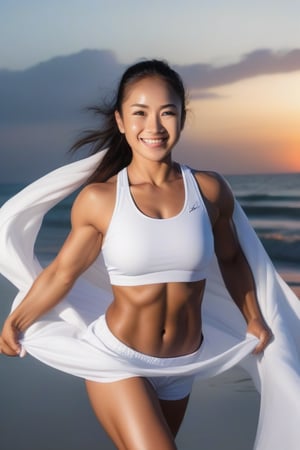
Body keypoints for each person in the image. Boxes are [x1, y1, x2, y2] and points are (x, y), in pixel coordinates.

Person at [0, 60, 298, 450]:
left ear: (182, 118)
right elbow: (62, 273)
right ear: (121, 121)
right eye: (140, 113)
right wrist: (17, 320)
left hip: (182, 365)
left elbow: (232, 260)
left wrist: (255, 318)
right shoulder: (100, 199)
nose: (154, 126)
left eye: (167, 112)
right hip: (118, 358)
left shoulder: (209, 190)